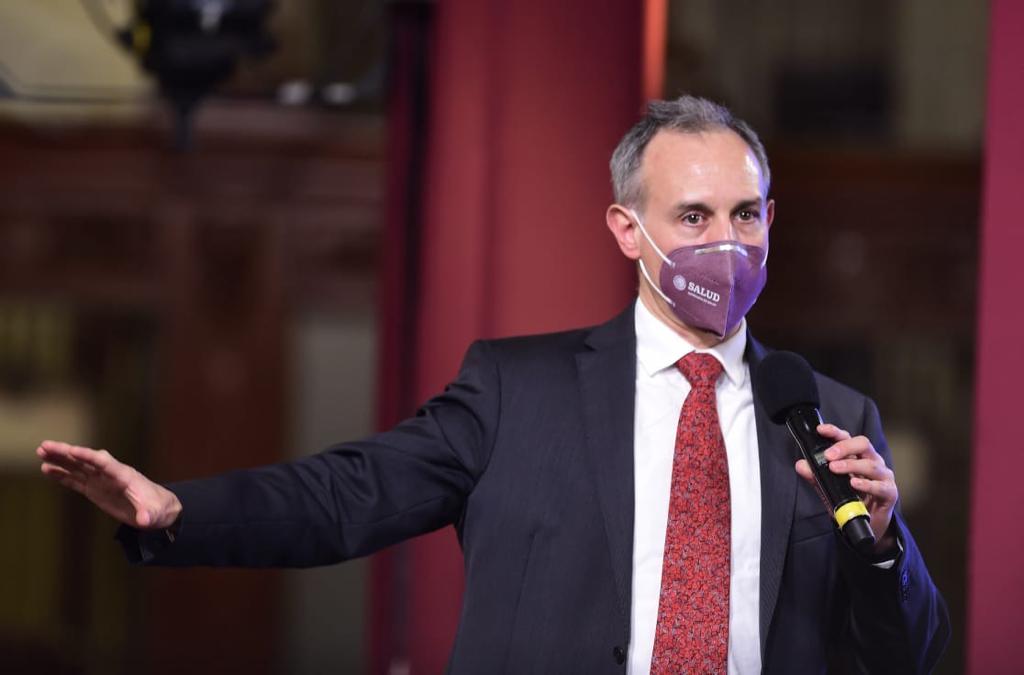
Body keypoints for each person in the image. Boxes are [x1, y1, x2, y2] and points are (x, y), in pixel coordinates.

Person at [37, 95, 949, 674]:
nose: (727, 243)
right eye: (694, 216)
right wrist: (178, 509)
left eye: (746, 214)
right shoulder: (517, 391)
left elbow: (907, 653)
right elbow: (348, 494)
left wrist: (881, 546)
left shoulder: (830, 415)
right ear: (627, 229)